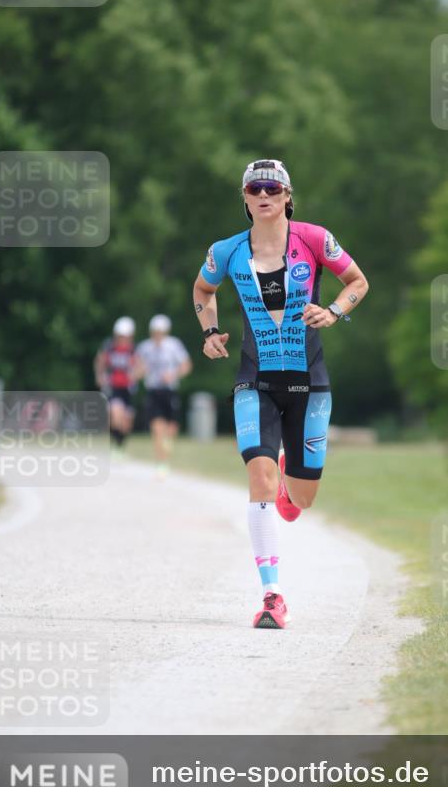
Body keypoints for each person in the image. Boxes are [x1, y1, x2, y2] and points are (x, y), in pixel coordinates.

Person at [193, 159, 368, 630]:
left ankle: (291, 480)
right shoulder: (226, 251)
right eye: (255, 187)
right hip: (256, 382)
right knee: (260, 480)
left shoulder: (313, 239)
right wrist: (209, 332)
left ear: (288, 195)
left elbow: (358, 282)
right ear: (246, 199)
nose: (264, 193)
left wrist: (333, 312)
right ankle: (272, 596)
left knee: (302, 500)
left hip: (311, 385)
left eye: (273, 186)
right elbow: (203, 290)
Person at [135, 314, 192, 475]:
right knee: (157, 428)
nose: (157, 335)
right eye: (155, 332)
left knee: (171, 428)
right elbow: (136, 371)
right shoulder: (144, 348)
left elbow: (186, 366)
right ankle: (161, 463)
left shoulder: (174, 345)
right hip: (153, 390)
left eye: (160, 332)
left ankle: (166, 447)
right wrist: (141, 371)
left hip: (170, 390)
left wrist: (173, 374)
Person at [94, 316, 137, 452]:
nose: (123, 339)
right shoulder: (109, 348)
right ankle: (114, 444)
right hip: (113, 387)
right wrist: (100, 376)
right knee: (115, 413)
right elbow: (99, 361)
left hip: (128, 389)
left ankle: (120, 445)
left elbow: (142, 366)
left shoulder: (133, 350)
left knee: (126, 421)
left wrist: (135, 374)